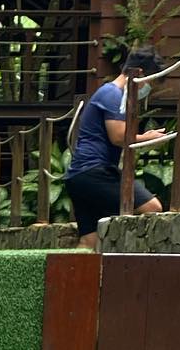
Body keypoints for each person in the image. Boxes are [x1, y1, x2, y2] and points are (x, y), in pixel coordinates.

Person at [64, 46, 172, 249]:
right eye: (149, 83)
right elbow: (118, 136)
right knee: (153, 206)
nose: (148, 89)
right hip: (95, 171)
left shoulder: (109, 93)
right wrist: (147, 138)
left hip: (78, 175)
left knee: (89, 241)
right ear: (139, 74)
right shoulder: (113, 94)